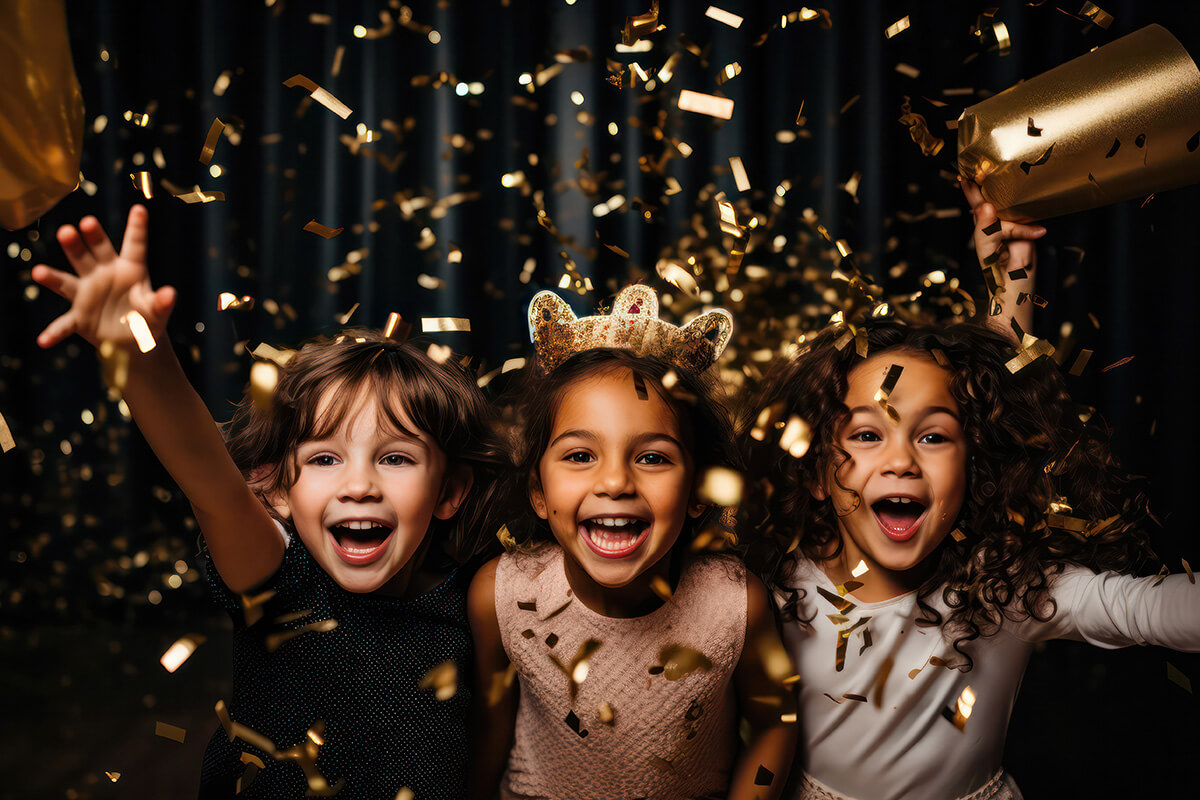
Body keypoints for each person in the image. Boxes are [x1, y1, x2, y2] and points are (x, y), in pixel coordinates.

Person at [32, 205, 505, 800]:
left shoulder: (472, 601)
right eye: (325, 459)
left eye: (396, 458)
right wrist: (139, 350)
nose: (359, 485)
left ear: (450, 492)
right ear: (277, 490)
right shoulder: (280, 583)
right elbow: (210, 481)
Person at [748, 314, 1200, 800]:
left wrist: (1011, 287)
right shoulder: (776, 591)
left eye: (933, 436)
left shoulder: (1005, 590)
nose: (901, 462)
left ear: (973, 469)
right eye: (866, 435)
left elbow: (1150, 610)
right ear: (817, 473)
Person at [467, 285, 798, 800]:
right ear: (538, 491)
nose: (616, 483)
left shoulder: (736, 603)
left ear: (696, 491)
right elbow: (490, 731)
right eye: (580, 456)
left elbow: (776, 723)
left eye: (652, 457)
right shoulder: (502, 595)